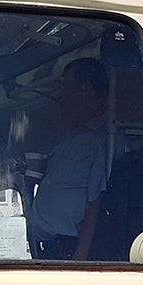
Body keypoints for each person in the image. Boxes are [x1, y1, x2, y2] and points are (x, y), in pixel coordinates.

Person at [30, 57, 109, 260]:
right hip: (43, 246)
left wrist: (79, 258)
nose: (60, 95)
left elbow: (96, 203)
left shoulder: (102, 141)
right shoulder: (69, 139)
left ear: (87, 89)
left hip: (68, 248)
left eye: (65, 86)